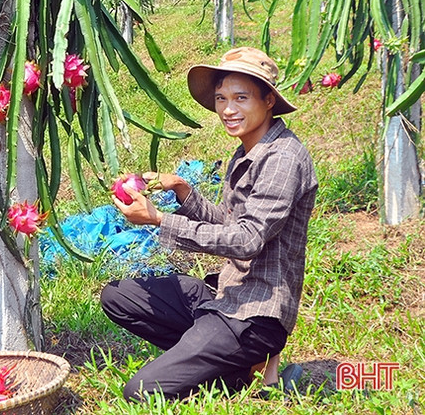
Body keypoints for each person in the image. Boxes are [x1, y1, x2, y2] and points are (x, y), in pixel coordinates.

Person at [102, 47, 317, 401]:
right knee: (119, 296)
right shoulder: (248, 150)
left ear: (268, 100)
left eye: (241, 98)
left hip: (254, 316)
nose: (228, 110)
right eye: (221, 98)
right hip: (224, 296)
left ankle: (241, 361)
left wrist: (158, 220)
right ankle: (235, 367)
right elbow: (230, 222)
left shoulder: (283, 159)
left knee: (141, 391)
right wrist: (183, 191)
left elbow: (246, 240)